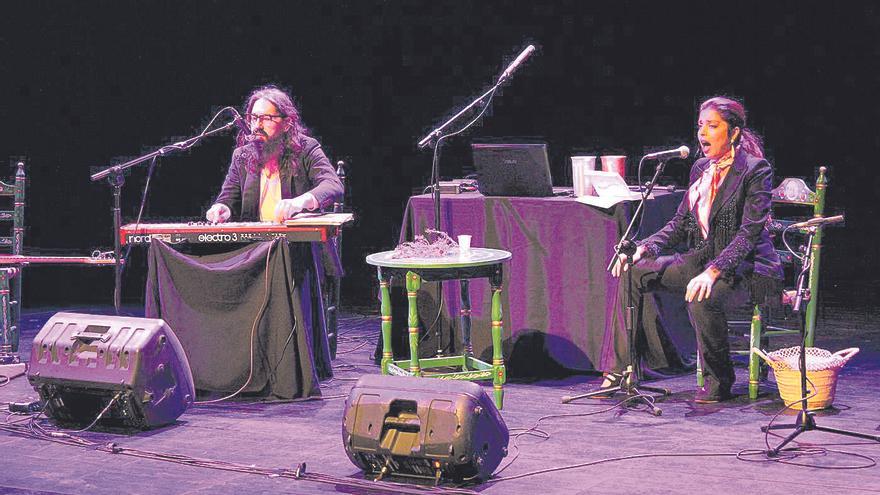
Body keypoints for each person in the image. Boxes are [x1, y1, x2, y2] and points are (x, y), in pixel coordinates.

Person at [603, 96, 783, 403]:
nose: (703, 133)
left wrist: (713, 272)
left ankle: (720, 380)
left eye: (712, 126)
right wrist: (645, 248)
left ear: (734, 131)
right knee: (633, 271)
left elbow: (749, 233)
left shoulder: (755, 170)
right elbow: (680, 223)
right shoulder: (701, 168)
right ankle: (622, 368)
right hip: (702, 260)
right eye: (700, 126)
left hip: (749, 269)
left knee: (703, 295)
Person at [206, 85, 342, 223]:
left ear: (287, 123)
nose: (257, 125)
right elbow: (228, 199)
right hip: (256, 241)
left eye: (266, 118)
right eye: (253, 118)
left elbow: (333, 185)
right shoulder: (242, 156)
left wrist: (300, 202)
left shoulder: (305, 148)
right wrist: (222, 208)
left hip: (295, 241)